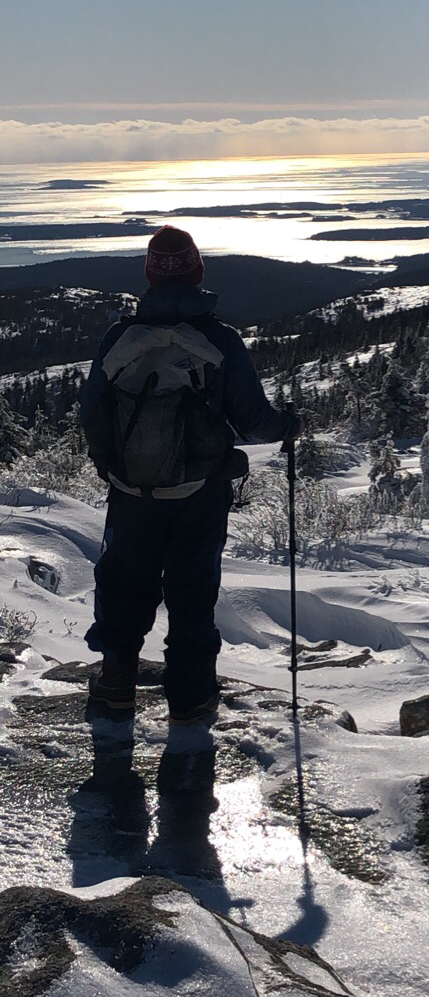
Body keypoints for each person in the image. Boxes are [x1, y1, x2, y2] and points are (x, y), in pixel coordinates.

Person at [80, 225, 299, 724]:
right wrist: (292, 424)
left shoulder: (120, 338)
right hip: (199, 492)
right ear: (198, 271)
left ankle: (116, 683)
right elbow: (254, 422)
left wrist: (110, 463)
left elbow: (91, 410)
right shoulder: (219, 340)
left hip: (132, 491)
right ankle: (191, 698)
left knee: (123, 584)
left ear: (151, 275)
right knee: (192, 590)